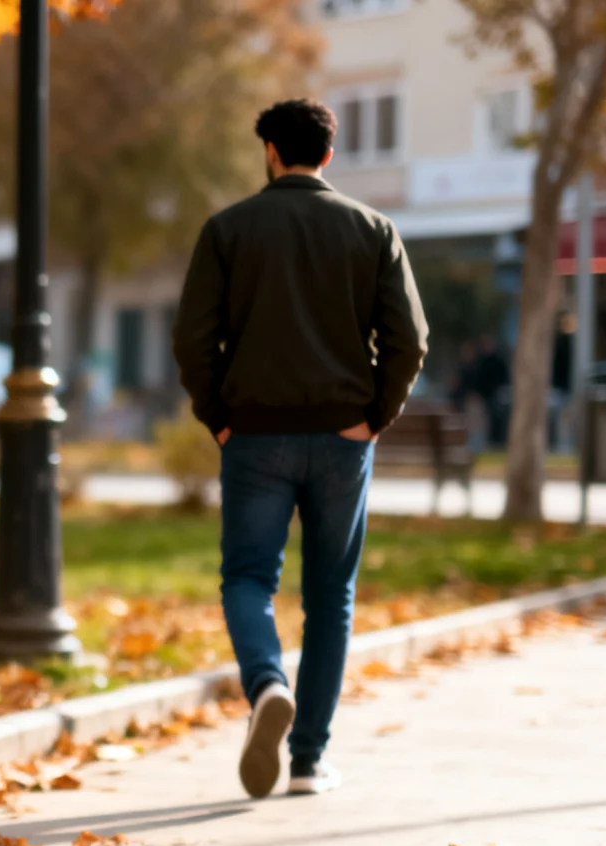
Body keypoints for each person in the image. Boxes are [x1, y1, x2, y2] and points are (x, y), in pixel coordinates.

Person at [171, 99, 429, 799]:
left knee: (248, 578)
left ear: (270, 151)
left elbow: (192, 339)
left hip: (253, 434)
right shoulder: (373, 229)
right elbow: (409, 340)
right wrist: (374, 417)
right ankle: (309, 761)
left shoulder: (227, 230)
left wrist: (220, 418)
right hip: (344, 438)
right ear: (329, 155)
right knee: (330, 597)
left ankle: (265, 686)